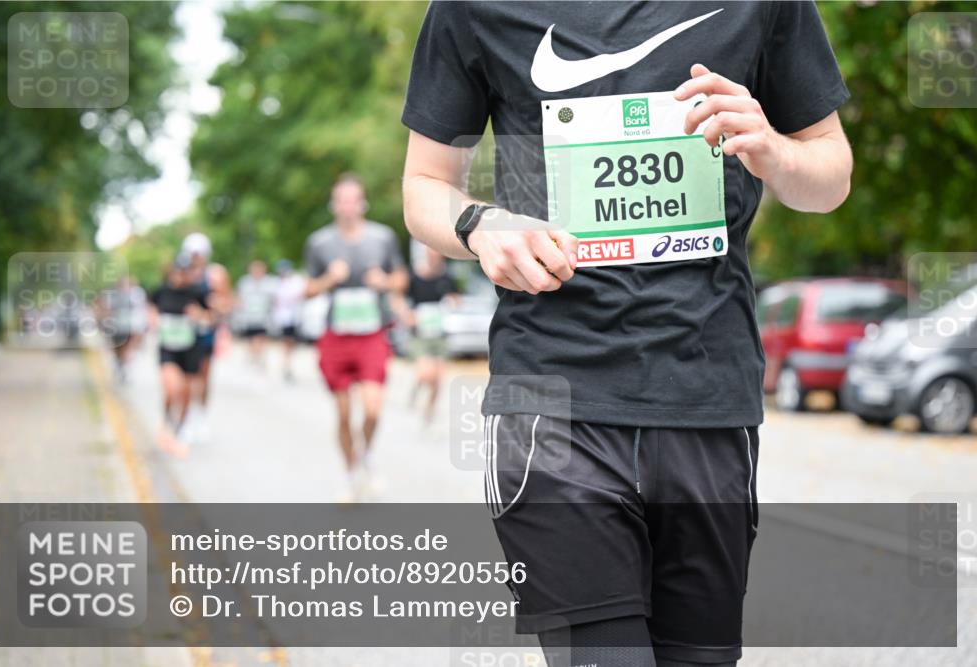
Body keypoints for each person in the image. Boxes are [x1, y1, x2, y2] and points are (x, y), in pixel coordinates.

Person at [401, 3, 852, 666]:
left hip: (706, 395)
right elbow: (424, 185)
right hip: (550, 393)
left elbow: (830, 175)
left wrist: (772, 148)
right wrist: (479, 225)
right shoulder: (474, 8)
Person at [305, 173, 408, 502]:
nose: (348, 206)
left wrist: (385, 282)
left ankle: (364, 455)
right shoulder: (319, 243)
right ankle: (350, 473)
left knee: (374, 409)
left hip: (372, 334)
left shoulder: (383, 238)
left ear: (362, 203)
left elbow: (402, 279)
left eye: (353, 199)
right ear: (334, 205)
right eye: (342, 200)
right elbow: (306, 289)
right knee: (344, 414)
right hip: (336, 336)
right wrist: (328, 279)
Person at [149, 254, 212, 458]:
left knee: (185, 391)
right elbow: (150, 308)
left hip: (190, 348)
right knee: (171, 387)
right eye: (179, 270)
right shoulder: (161, 291)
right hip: (168, 348)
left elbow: (210, 318)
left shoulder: (197, 292)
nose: (182, 275)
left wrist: (199, 315)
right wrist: (153, 319)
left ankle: (180, 427)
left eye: (186, 271)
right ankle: (167, 419)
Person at [400, 242, 459, 424]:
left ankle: (429, 412)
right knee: (426, 374)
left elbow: (456, 298)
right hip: (421, 333)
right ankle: (417, 386)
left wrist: (452, 302)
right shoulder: (414, 276)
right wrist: (408, 316)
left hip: (440, 333)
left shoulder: (447, 277)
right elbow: (400, 299)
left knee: (438, 379)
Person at [181, 232, 231, 442]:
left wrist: (211, 311)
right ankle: (187, 417)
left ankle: (201, 416)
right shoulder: (182, 274)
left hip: (207, 333)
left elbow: (225, 303)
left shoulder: (216, 274)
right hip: (185, 333)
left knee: (204, 376)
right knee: (188, 377)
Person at [236, 260, 277, 368]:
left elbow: (274, 299)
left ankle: (259, 357)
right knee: (251, 338)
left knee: (260, 336)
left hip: (263, 317)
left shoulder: (269, 282)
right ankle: (253, 356)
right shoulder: (245, 282)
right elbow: (240, 298)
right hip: (249, 317)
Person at [271, 259, 307, 382]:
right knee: (286, 341)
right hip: (284, 318)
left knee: (291, 342)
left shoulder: (295, 281)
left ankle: (287, 362)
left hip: (294, 317)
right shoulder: (278, 283)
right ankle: (286, 363)